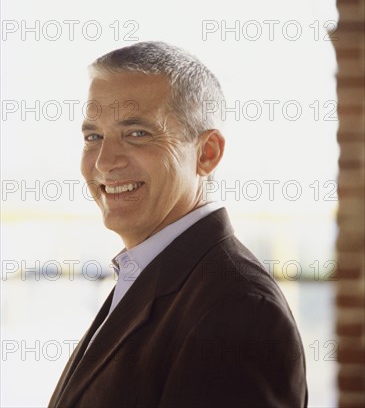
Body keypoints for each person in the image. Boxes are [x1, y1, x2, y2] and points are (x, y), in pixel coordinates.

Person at [49, 41, 308, 408]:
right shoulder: (148, 274)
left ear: (207, 154)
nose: (104, 162)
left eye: (137, 133)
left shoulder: (239, 310)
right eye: (94, 137)